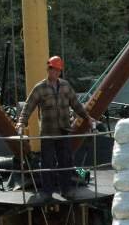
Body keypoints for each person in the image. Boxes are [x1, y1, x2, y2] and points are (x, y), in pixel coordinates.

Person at [15, 56, 96, 197]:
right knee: (47, 163)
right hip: (48, 133)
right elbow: (28, 107)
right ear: (48, 69)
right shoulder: (40, 88)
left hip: (64, 131)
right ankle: (47, 192)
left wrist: (87, 118)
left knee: (66, 162)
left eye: (59, 70)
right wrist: (21, 123)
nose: (56, 72)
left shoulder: (65, 86)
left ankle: (66, 190)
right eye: (54, 69)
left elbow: (76, 104)